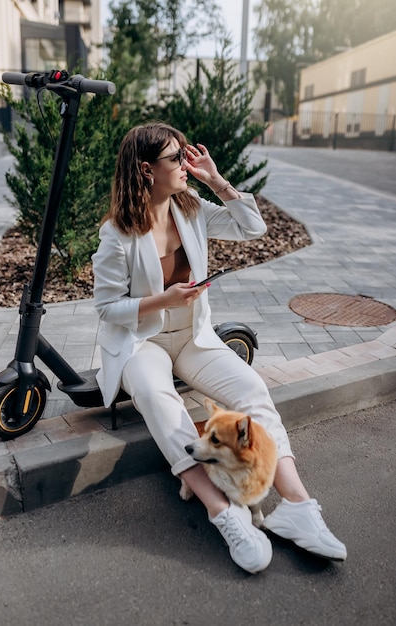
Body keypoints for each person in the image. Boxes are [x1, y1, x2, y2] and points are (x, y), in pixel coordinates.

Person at [92, 122, 347, 574]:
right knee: (156, 397)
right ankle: (223, 514)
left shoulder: (190, 208)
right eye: (177, 159)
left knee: (253, 390)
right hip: (141, 340)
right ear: (147, 170)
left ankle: (296, 506)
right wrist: (163, 299)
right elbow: (108, 308)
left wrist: (214, 179)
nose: (185, 164)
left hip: (193, 336)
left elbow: (253, 228)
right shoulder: (118, 232)